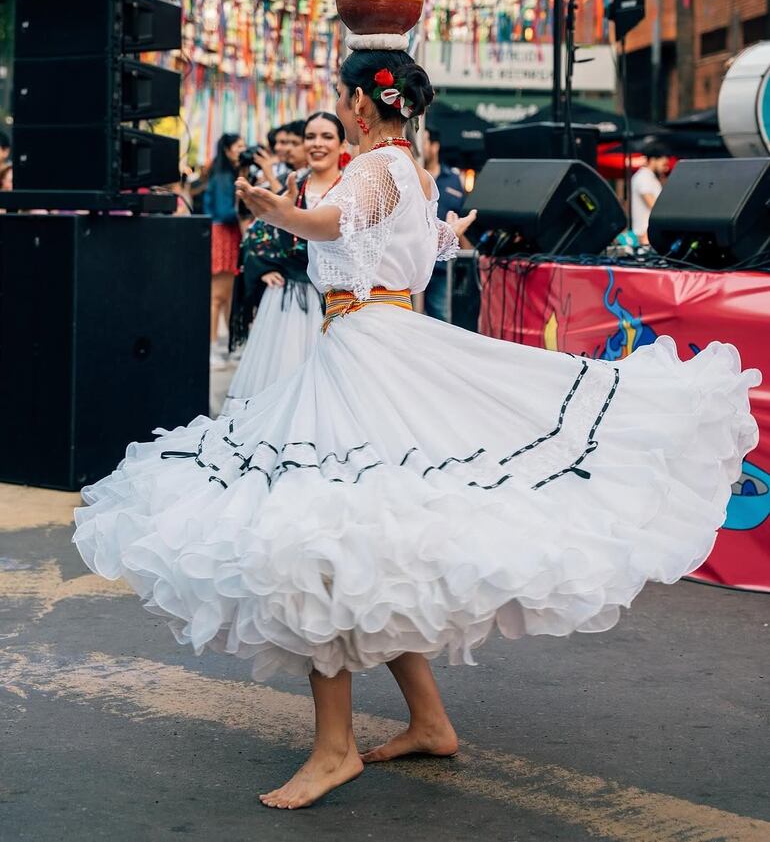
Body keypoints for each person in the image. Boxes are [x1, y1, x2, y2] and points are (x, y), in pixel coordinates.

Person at [73, 46, 759, 812]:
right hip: (373, 340)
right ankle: (429, 721)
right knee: (374, 533)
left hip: (366, 349)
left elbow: (335, 221)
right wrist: (429, 230)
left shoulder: (376, 166)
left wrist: (281, 212)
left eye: (343, 97)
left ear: (363, 104)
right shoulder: (411, 170)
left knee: (319, 536)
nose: (340, 108)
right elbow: (407, 245)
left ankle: (335, 748)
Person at [225, 113, 344, 408]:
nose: (317, 144)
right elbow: (256, 234)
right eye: (310, 137)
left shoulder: (351, 190)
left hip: (337, 303)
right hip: (286, 301)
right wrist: (265, 268)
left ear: (342, 144)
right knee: (278, 387)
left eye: (327, 137)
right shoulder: (293, 186)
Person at [204, 133, 245, 369]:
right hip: (224, 235)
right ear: (228, 150)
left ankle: (229, 345)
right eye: (239, 146)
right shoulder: (223, 177)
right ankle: (212, 348)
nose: (243, 150)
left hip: (226, 235)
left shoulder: (223, 174)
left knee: (227, 296)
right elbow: (224, 211)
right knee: (218, 297)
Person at [422, 126, 467, 320]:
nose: (418, 147)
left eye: (422, 141)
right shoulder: (413, 176)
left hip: (441, 268)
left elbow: (462, 215)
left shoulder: (453, 179)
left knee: (441, 317)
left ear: (434, 146)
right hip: (414, 264)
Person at [631, 150, 670, 244]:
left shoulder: (649, 177)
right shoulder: (644, 177)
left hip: (648, 234)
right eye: (663, 164)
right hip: (645, 236)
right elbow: (654, 207)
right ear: (653, 160)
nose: (665, 169)